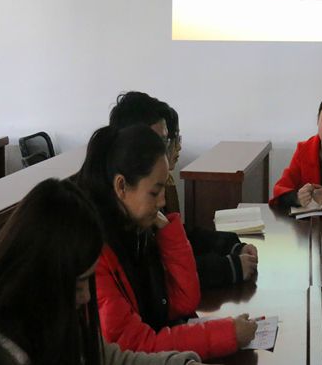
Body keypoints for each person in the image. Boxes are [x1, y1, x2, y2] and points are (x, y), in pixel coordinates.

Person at [0, 178, 202, 365]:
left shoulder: (55, 319)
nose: (87, 296)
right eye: (80, 283)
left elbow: (111, 359)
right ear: (43, 276)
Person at [75, 124, 256, 359]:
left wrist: (169, 232)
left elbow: (182, 301)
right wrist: (228, 334)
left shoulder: (135, 229)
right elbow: (137, 348)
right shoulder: (93, 252)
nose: (162, 202)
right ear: (121, 186)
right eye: (154, 192)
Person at [109, 91, 258, 288]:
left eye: (167, 140)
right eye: (161, 141)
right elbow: (162, 272)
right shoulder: (120, 208)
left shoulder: (146, 190)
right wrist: (228, 267)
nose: (171, 148)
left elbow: (180, 239)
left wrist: (231, 246)